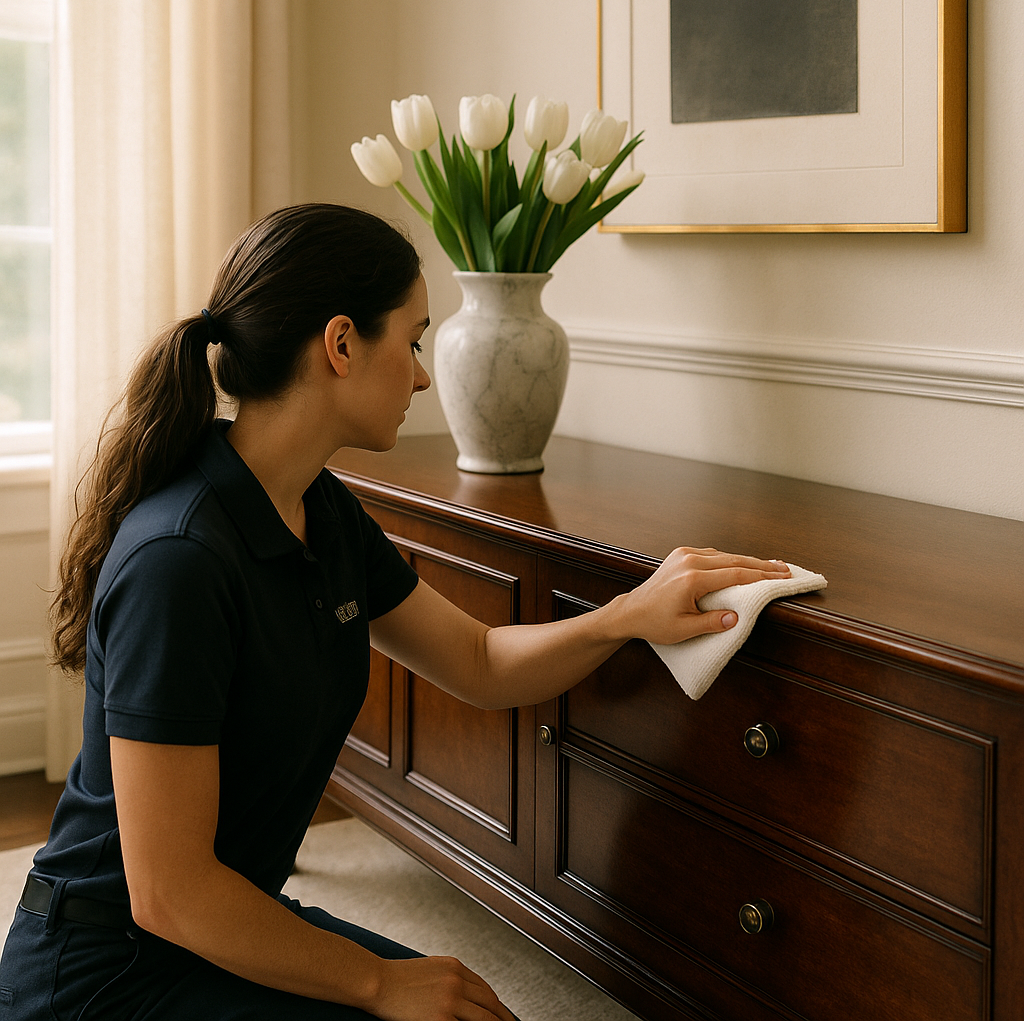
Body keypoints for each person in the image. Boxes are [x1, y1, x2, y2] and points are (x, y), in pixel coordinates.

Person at [0, 204, 790, 1020]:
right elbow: (168, 894)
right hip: (105, 974)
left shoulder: (320, 513)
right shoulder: (181, 561)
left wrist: (626, 615)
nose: (420, 375)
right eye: (411, 342)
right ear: (341, 345)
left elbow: (478, 661)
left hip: (225, 926)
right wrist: (376, 981)